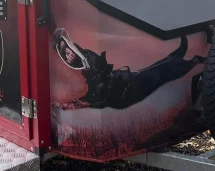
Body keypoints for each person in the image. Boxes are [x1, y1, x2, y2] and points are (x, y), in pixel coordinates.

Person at [52, 28, 204, 110]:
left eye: (68, 48)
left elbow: (86, 59)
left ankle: (188, 57)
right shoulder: (90, 76)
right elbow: (96, 99)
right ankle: (191, 60)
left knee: (159, 70)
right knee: (160, 72)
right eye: (65, 50)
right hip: (125, 93)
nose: (69, 53)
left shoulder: (89, 61)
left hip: (123, 86)